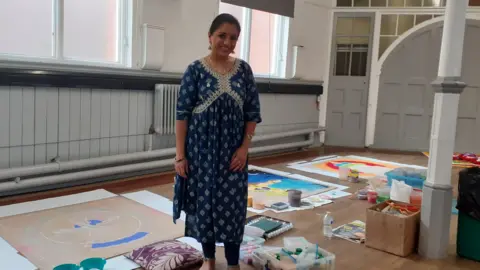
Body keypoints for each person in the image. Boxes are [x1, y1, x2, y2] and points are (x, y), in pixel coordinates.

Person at [172, 13, 262, 270]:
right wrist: (180, 156)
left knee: (233, 210)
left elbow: (252, 114)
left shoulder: (244, 70)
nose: (227, 42)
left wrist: (245, 149)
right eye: (222, 35)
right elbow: (182, 116)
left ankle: (232, 264)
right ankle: (209, 260)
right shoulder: (195, 70)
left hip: (233, 155)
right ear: (210, 37)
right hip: (200, 154)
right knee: (205, 207)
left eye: (233, 38)